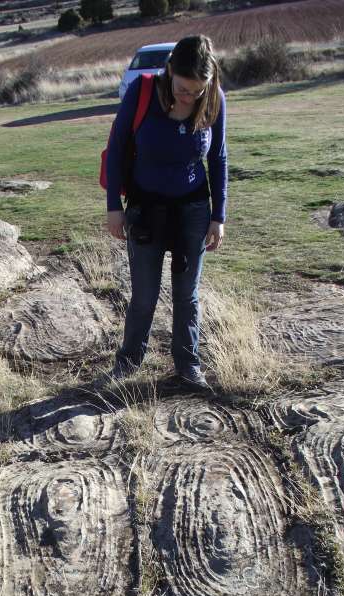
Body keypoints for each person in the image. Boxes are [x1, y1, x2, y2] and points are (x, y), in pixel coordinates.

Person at [106, 35, 228, 392]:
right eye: (182, 89)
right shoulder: (142, 92)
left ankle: (188, 365)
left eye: (197, 91)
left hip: (192, 211)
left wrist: (218, 215)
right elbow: (115, 150)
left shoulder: (214, 99)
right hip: (145, 210)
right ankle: (127, 362)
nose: (189, 97)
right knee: (144, 294)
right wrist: (115, 207)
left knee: (187, 295)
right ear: (170, 71)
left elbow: (218, 159)